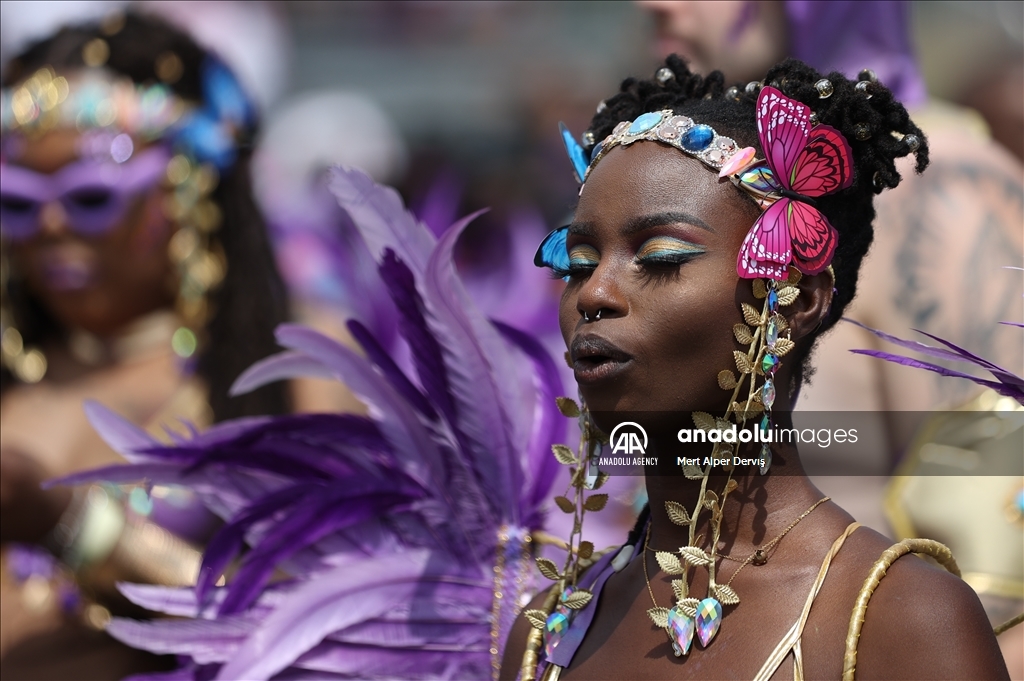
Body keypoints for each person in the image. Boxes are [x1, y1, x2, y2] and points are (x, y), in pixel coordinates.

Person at [501, 56, 1011, 680]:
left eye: (659, 257)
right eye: (578, 263)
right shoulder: (543, 639)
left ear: (795, 298)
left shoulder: (901, 620)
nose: (594, 294)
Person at [0, 13, 291, 679]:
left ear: (191, 191)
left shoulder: (292, 367)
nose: (49, 226)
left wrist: (74, 527)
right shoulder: (13, 377)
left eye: (90, 196)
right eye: (17, 202)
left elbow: (351, 629)